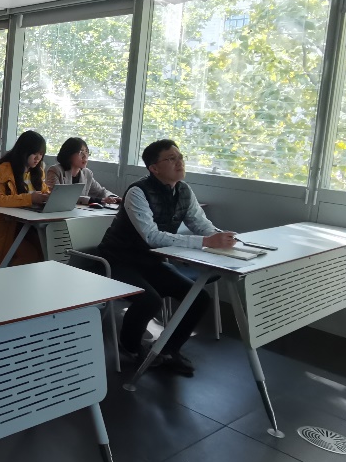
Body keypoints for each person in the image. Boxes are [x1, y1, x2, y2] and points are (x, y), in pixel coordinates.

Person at [97, 139, 235, 376]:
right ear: (154, 168)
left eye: (180, 157)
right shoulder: (137, 192)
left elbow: (201, 225)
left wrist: (223, 238)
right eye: (171, 159)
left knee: (198, 297)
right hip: (118, 260)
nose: (179, 162)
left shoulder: (183, 190)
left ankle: (168, 350)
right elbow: (152, 236)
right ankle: (130, 346)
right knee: (149, 300)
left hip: (152, 262)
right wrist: (206, 242)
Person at [0, 131, 50, 270]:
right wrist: (30, 198)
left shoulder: (37, 172)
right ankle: (7, 281)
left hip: (28, 226)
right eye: (34, 154)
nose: (38, 158)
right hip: (4, 227)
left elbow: (44, 192)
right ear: (24, 151)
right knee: (30, 254)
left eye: (41, 154)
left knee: (45, 250)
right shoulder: (3, 170)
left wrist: (48, 197)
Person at [45, 137, 120, 204]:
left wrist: (114, 197)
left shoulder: (87, 173)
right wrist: (94, 200)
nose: (85, 156)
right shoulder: (55, 171)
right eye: (81, 152)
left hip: (79, 212)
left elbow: (101, 192)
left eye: (86, 152)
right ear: (69, 154)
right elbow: (58, 197)